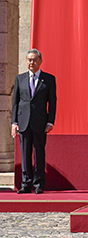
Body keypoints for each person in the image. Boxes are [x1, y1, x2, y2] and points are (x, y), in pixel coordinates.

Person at [11, 49, 57, 194]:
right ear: (26, 61)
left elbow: (52, 102)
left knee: (39, 153)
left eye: (34, 60)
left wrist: (50, 122)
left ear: (40, 61)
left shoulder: (48, 79)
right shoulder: (20, 79)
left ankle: (38, 183)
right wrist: (14, 122)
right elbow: (15, 102)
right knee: (25, 154)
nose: (32, 62)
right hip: (23, 122)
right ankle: (26, 183)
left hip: (40, 122)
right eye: (29, 60)